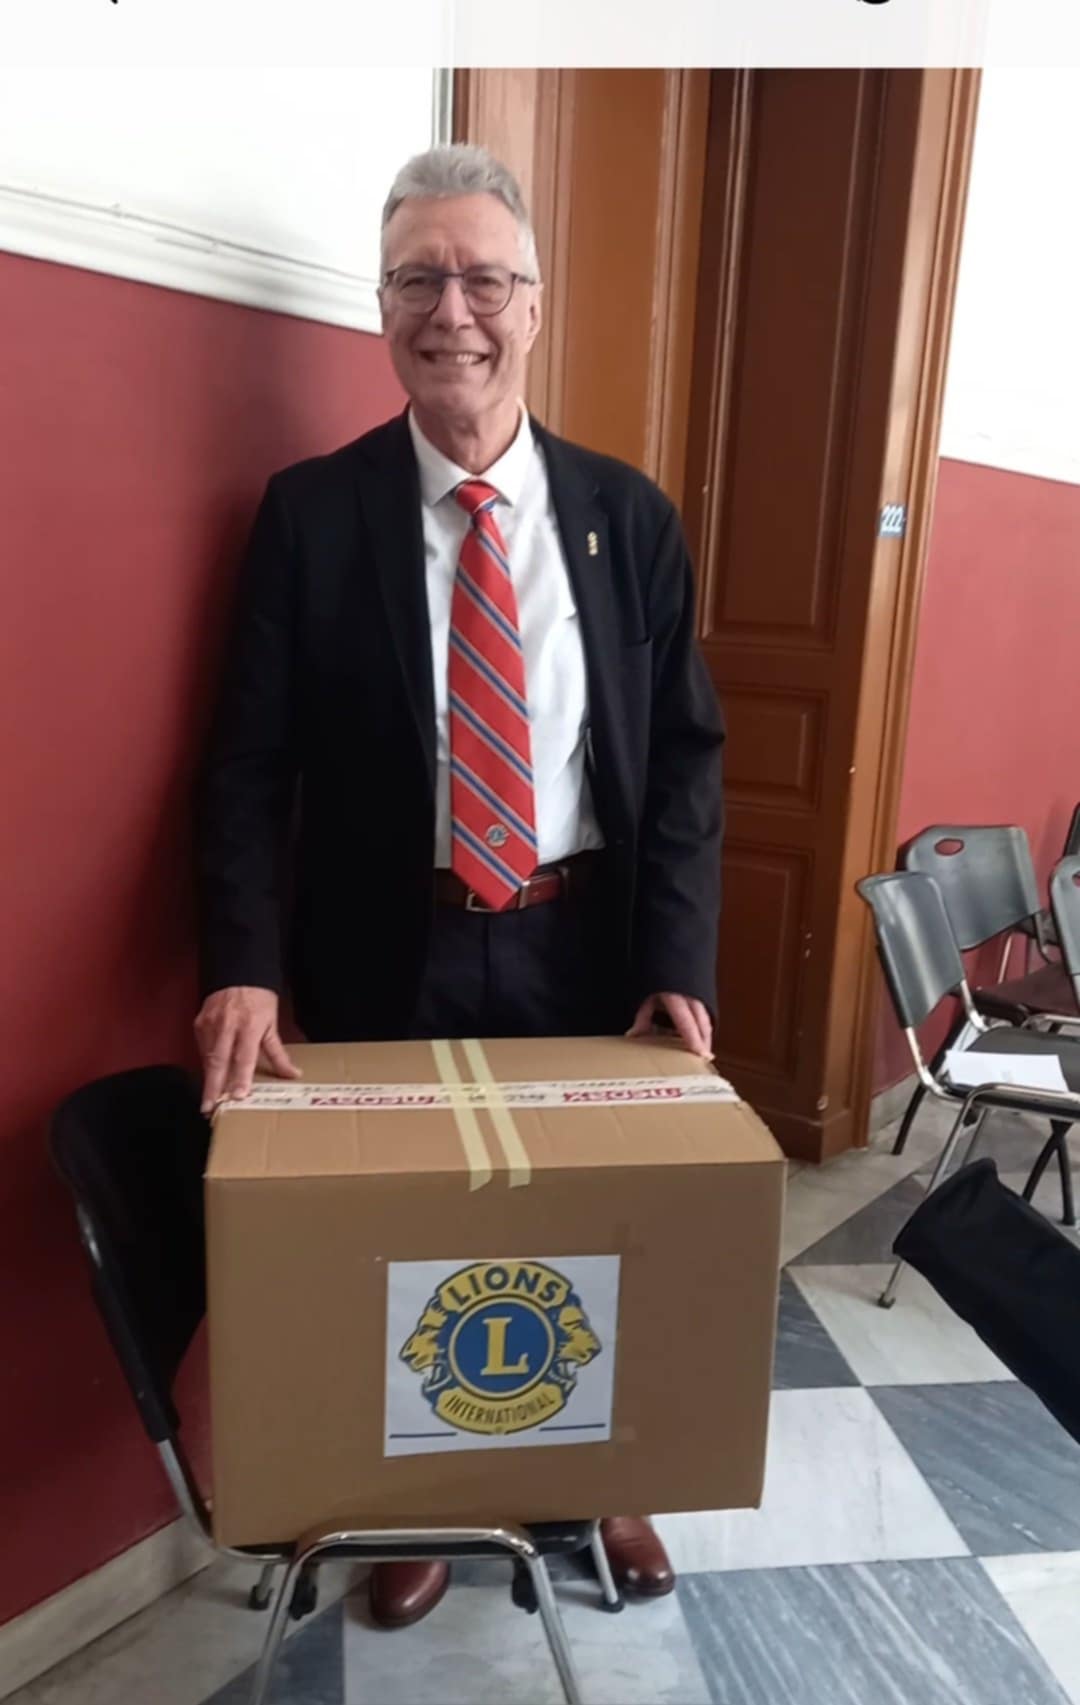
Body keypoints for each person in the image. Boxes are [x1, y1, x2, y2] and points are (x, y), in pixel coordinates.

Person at [195, 142, 724, 1630]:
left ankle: (606, 1478)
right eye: (419, 279)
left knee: (600, 1223)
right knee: (417, 1237)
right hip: (390, 945)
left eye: (486, 278)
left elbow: (687, 758)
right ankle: (429, 1499)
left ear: (534, 306)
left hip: (584, 939)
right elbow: (244, 765)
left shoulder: (628, 516)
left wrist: (679, 960)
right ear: (381, 307)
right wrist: (241, 961)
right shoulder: (311, 513)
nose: (454, 312)